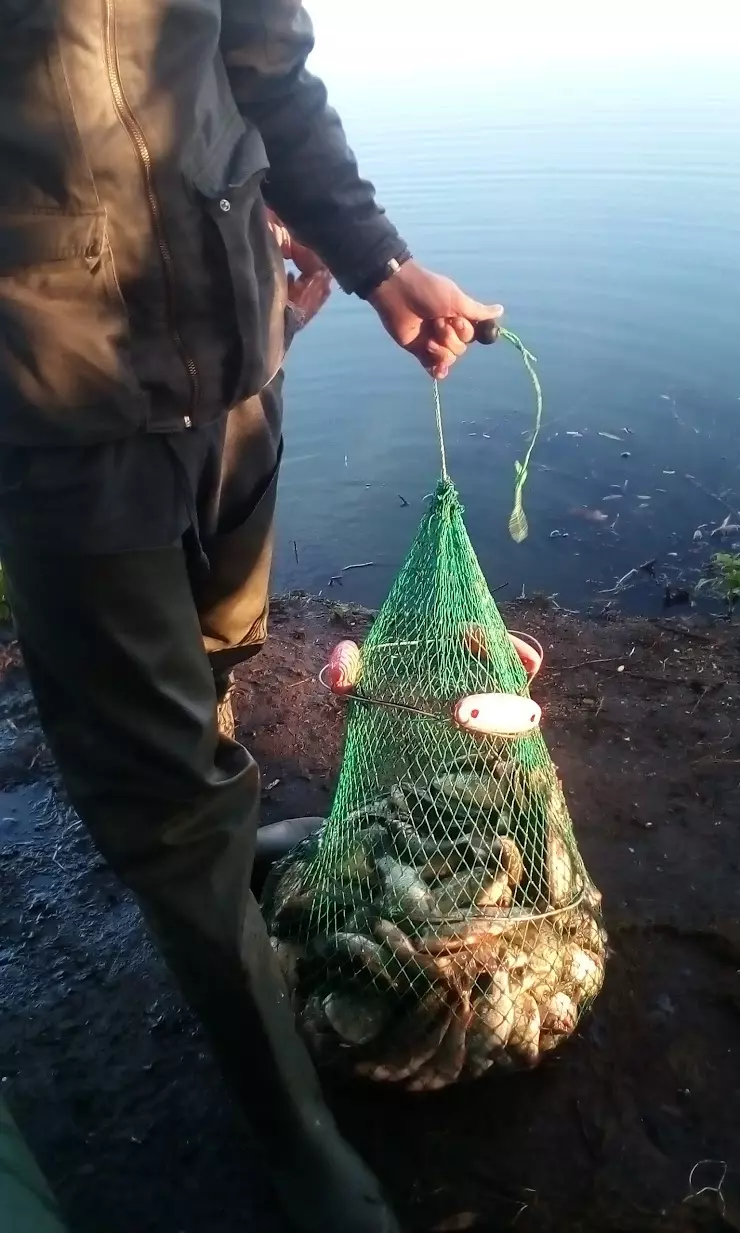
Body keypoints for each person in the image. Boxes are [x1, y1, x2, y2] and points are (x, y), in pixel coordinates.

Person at [0, 3, 503, 1231]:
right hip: (60, 415)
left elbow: (268, 73)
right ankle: (294, 1131)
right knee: (167, 808)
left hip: (237, 364)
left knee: (226, 641)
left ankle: (230, 843)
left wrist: (378, 263)